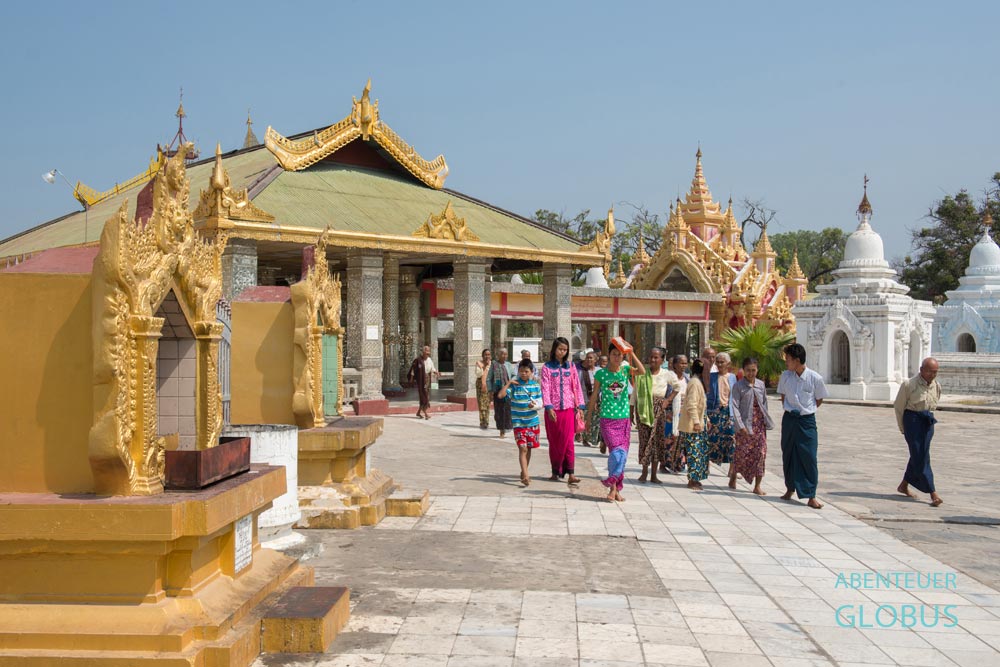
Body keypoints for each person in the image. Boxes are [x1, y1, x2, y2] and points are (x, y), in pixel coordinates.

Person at [586, 340, 645, 502]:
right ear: (609, 355)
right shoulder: (601, 374)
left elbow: (642, 371)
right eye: (614, 354)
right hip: (607, 419)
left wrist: (631, 352)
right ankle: (613, 485)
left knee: (622, 454)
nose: (617, 357)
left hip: (623, 419)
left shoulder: (626, 370)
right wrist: (589, 418)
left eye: (620, 354)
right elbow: (594, 397)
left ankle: (616, 488)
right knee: (616, 452)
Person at [777, 343, 829, 509]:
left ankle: (810, 494)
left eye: (789, 359)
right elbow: (783, 396)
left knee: (808, 456)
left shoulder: (815, 378)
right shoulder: (785, 376)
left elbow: (819, 399)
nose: (786, 362)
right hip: (789, 419)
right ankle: (790, 487)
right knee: (789, 454)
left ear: (797, 360)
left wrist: (805, 410)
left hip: (806, 421)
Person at [893, 357, 944, 507]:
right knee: (921, 456)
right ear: (921, 370)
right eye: (929, 371)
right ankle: (933, 493)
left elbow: (934, 403)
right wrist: (902, 427)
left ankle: (904, 485)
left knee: (919, 454)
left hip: (927, 420)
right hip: (912, 420)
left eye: (935, 372)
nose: (932, 375)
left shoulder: (937, 386)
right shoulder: (909, 385)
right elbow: (898, 407)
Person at [540, 337, 586, 485]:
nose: (562, 352)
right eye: (560, 349)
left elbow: (577, 387)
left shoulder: (571, 367)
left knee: (568, 442)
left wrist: (580, 406)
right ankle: (555, 471)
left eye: (565, 349)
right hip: (553, 411)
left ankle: (571, 473)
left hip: (568, 409)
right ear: (554, 349)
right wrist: (548, 407)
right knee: (554, 442)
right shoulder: (547, 368)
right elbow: (545, 388)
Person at [731, 357, 774, 495]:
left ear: (757, 370)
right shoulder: (738, 386)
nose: (751, 373)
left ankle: (757, 485)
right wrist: (740, 425)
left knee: (761, 454)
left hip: (759, 426)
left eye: (753, 370)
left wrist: (766, 421)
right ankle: (733, 477)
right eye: (748, 370)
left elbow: (765, 403)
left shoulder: (761, 385)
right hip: (744, 425)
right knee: (741, 454)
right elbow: (735, 406)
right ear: (743, 371)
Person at [498, 359, 543, 486]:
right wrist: (508, 383)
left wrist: (534, 405)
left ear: (531, 372)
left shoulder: (535, 385)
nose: (524, 374)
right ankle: (526, 476)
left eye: (526, 371)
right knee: (522, 448)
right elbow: (501, 396)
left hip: (532, 422)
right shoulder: (514, 386)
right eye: (521, 371)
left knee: (528, 448)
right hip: (518, 423)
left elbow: (540, 403)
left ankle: (524, 471)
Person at [636, 346, 677, 484]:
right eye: (651, 357)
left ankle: (654, 475)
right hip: (643, 410)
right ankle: (644, 472)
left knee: (656, 441)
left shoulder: (667, 374)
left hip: (659, 411)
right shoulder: (642, 373)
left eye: (656, 357)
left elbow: (677, 387)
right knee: (644, 441)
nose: (653, 360)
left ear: (662, 360)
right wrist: (631, 411)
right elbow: (635, 393)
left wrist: (667, 400)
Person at [679, 359, 708, 490]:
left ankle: (696, 478)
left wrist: (705, 420)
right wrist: (696, 421)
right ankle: (692, 480)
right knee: (693, 453)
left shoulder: (698, 382)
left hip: (698, 424)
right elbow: (691, 404)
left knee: (698, 452)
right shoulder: (695, 383)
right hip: (692, 426)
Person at [708, 351, 737, 470]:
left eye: (722, 362)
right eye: (718, 362)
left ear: (728, 363)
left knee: (731, 439)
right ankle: (707, 466)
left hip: (728, 411)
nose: (720, 364)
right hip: (715, 411)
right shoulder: (712, 376)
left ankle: (732, 470)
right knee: (711, 439)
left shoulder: (732, 377)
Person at [662, 355, 688, 474]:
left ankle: (678, 465)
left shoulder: (687, 379)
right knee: (668, 439)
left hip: (683, 414)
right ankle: (664, 464)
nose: (683, 366)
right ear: (675, 365)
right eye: (681, 363)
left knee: (680, 440)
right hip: (670, 413)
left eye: (685, 363)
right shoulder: (668, 378)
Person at [487, 348, 517, 437]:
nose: (504, 356)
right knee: (499, 411)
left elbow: (514, 375)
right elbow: (489, 378)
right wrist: (490, 390)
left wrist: (511, 381)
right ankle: (501, 429)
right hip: (497, 391)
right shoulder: (494, 364)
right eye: (502, 354)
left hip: (507, 391)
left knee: (507, 410)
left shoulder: (508, 364)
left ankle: (505, 428)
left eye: (506, 354)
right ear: (498, 355)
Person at [407, 345, 438, 420]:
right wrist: (411, 379)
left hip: (427, 379)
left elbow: (432, 368)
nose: (427, 355)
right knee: (424, 396)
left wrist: (435, 372)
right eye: (426, 353)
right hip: (421, 380)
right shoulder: (418, 360)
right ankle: (425, 413)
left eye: (428, 353)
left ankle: (418, 412)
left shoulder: (429, 360)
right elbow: (413, 370)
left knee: (425, 394)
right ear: (423, 352)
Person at [578, 351, 599, 447]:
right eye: (588, 358)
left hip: (598, 399)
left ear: (595, 360)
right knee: (585, 419)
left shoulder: (599, 371)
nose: (589, 360)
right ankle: (585, 438)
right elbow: (578, 386)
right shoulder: (582, 372)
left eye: (591, 358)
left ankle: (595, 439)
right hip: (584, 399)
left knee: (596, 420)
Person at [474, 349, 492, 430]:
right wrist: (484, 367)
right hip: (480, 384)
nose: (487, 356)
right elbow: (478, 374)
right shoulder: (479, 363)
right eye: (485, 354)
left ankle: (486, 421)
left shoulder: (492, 364)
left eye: (488, 355)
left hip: (488, 384)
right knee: (481, 403)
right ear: (482, 355)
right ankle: (482, 422)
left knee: (487, 403)